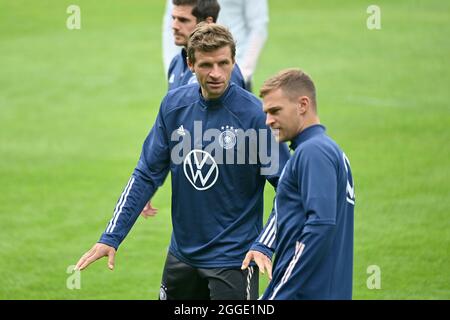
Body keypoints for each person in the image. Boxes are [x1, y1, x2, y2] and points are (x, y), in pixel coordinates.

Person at [75, 23, 290, 300]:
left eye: (223, 63)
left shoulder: (255, 118)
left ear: (233, 61)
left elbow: (289, 186)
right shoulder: (173, 107)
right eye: (206, 65)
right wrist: (111, 237)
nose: (216, 73)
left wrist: (265, 244)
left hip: (235, 261)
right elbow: (146, 174)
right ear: (190, 64)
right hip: (182, 256)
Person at [241, 69, 356, 299]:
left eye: (275, 111)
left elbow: (320, 225)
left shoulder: (313, 153)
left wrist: (279, 293)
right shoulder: (327, 149)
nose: (268, 121)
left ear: (303, 105)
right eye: (266, 113)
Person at [162, 0, 269, 91]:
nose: (174, 26)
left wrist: (243, 71)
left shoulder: (229, 73)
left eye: (183, 20)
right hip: (188, 63)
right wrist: (174, 68)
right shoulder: (177, 63)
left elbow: (258, 26)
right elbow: (170, 21)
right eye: (174, 19)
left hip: (230, 68)